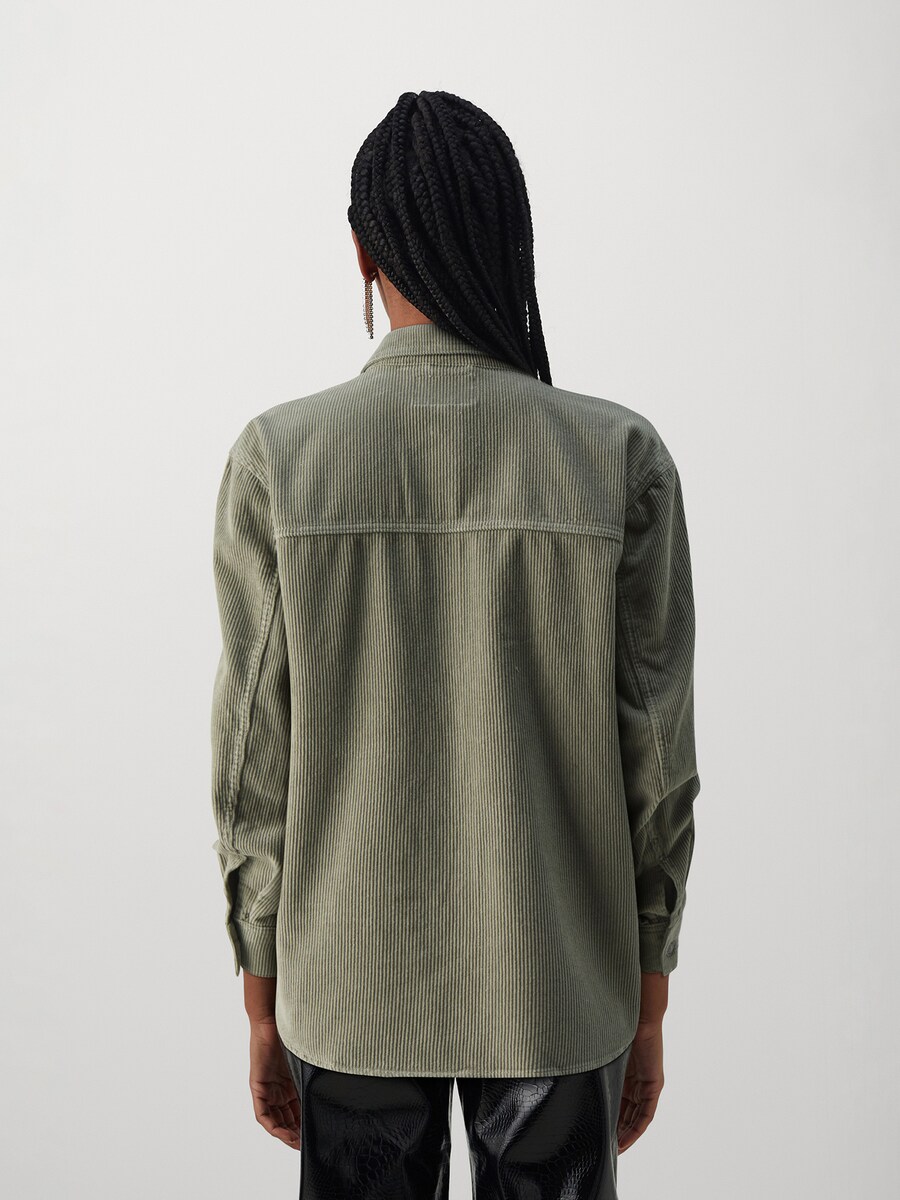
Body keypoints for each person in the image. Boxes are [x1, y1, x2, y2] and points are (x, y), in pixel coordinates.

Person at [209, 89, 701, 1200]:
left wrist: (260, 995)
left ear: (361, 250)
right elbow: (659, 762)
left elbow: (251, 766)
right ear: (511, 241)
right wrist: (650, 993)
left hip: (347, 990)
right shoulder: (618, 457)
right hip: (557, 985)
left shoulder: (278, 460)